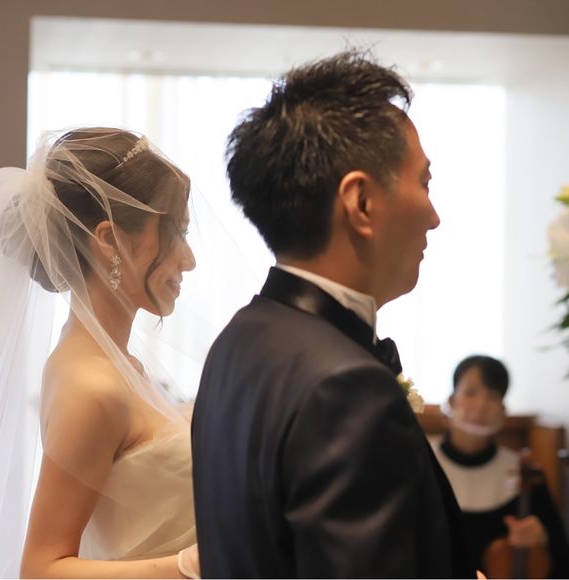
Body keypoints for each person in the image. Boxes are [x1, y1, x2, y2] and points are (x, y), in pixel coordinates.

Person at [192, 51, 474, 578]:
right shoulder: (345, 388)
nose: (434, 217)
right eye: (424, 182)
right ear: (361, 202)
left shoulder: (237, 339)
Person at [0, 128, 200, 578]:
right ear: (108, 239)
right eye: (176, 234)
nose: (188, 259)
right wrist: (188, 564)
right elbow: (41, 568)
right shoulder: (91, 386)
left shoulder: (117, 365)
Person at [431, 354, 569, 578]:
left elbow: (561, 557)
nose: (481, 406)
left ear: (503, 411)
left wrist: (543, 537)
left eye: (492, 396)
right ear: (451, 401)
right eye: (471, 393)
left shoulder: (525, 472)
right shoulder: (423, 463)